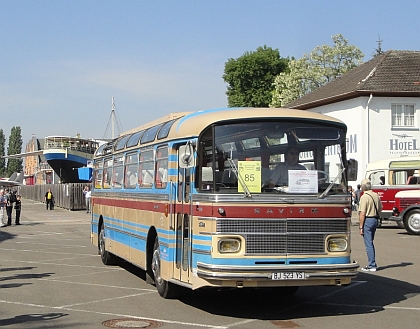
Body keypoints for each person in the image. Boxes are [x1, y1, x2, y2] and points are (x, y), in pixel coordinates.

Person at [358, 178, 383, 272]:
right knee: (371, 241)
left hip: (368, 220)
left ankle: (372, 265)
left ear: (363, 187)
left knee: (368, 243)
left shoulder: (364, 197)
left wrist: (361, 227)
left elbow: (362, 213)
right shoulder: (376, 195)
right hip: (375, 219)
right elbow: (381, 208)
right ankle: (372, 264)